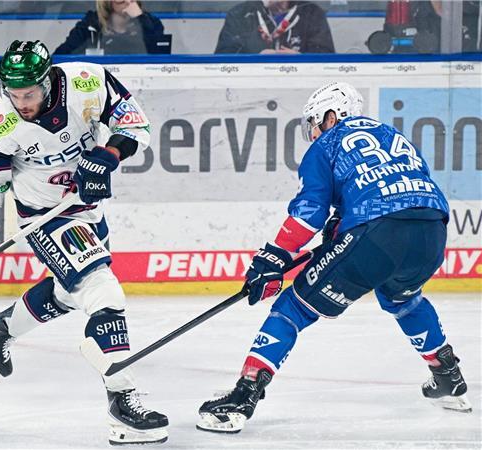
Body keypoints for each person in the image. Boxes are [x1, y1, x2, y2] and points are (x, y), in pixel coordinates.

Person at [196, 82, 471, 434]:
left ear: (331, 115)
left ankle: (242, 398)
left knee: (292, 308)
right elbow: (405, 186)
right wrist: (344, 222)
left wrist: (272, 258)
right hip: (432, 230)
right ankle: (447, 375)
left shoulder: (326, 143)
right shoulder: (391, 134)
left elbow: (310, 211)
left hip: (376, 232)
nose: (313, 132)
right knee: (402, 298)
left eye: (314, 122)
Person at [0, 40, 168, 445]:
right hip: (44, 216)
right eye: (14, 94)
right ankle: (122, 401)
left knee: (69, 292)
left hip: (87, 207)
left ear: (49, 81)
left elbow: (134, 125)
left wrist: (107, 154)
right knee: (101, 289)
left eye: (29, 94)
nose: (22, 103)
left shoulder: (87, 81)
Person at [215, 0, 335, 54]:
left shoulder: (312, 13)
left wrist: (301, 60)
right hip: (251, 92)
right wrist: (255, 61)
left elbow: (328, 60)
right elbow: (222, 61)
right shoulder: (240, 14)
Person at [54, 0, 166, 55]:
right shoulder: (91, 25)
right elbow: (62, 54)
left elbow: (160, 56)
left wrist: (141, 19)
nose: (127, 2)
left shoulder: (151, 23)